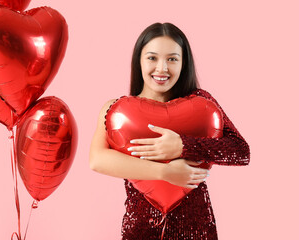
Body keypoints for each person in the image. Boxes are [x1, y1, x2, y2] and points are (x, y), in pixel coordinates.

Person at [89, 22, 250, 240]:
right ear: (139, 61)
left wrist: (183, 145)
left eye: (172, 59)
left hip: (197, 228)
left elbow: (240, 151)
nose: (162, 68)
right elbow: (97, 160)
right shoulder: (118, 111)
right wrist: (166, 173)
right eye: (152, 58)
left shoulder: (201, 104)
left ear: (184, 63)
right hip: (140, 229)